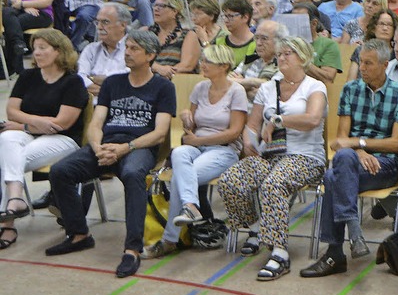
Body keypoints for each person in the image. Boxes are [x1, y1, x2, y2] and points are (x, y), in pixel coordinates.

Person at [46, 30, 176, 278]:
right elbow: (95, 124)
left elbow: (159, 133)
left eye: (134, 48)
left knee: (132, 174)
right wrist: (97, 148)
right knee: (61, 171)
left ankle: (132, 249)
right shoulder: (114, 83)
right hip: (105, 145)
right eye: (127, 47)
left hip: (138, 146)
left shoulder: (163, 87)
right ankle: (79, 233)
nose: (127, 52)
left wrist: (124, 149)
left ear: (150, 55)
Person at [300, 39, 398, 278]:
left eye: (368, 63)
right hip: (353, 163)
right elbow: (341, 140)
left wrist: (357, 144)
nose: (361, 68)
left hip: (385, 166)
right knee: (337, 170)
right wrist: (357, 152)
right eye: (361, 62)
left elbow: (396, 143)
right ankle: (353, 232)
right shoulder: (350, 90)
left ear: (384, 65)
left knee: (333, 176)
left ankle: (335, 253)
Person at [220, 36, 327, 281]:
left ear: (303, 58)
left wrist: (277, 120)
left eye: (288, 53)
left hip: (305, 157)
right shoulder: (269, 87)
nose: (282, 57)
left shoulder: (314, 87)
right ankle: (258, 227)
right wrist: (248, 142)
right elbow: (252, 124)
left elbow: (312, 119)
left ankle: (279, 253)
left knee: (273, 185)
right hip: (271, 155)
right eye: (280, 54)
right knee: (231, 181)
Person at [142, 44, 248, 258]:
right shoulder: (200, 88)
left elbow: (234, 133)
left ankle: (169, 239)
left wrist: (198, 139)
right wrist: (186, 120)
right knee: (179, 153)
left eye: (208, 61)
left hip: (223, 150)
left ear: (224, 66)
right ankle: (190, 206)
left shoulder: (237, 92)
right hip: (198, 145)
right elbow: (190, 129)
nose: (203, 64)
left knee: (182, 178)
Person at [0, 29, 88, 249]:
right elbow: (11, 111)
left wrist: (26, 123)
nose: (36, 53)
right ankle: (15, 199)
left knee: (8, 158)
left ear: (59, 52)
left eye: (42, 48)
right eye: (35, 48)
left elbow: (61, 123)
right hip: (28, 134)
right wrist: (33, 124)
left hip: (63, 140)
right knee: (7, 139)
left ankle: (7, 225)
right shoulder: (28, 76)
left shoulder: (73, 82)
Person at [77, 3, 131, 104]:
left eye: (105, 22)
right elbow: (79, 78)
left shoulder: (134, 49)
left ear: (123, 25)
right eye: (97, 22)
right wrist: (108, 89)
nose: (99, 27)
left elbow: (129, 80)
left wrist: (94, 78)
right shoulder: (90, 49)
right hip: (89, 107)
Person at [230, 20, 286, 104]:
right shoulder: (250, 60)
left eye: (264, 39)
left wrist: (246, 82)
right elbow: (228, 83)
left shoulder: (282, 65)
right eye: (256, 38)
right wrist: (256, 84)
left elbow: (268, 95)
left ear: (279, 41)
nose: (259, 43)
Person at [149, 0, 200, 79]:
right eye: (155, 5)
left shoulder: (188, 35)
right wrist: (158, 68)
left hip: (174, 80)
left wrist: (164, 74)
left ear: (174, 11)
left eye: (161, 6)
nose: (156, 9)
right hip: (147, 79)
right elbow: (135, 59)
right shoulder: (146, 32)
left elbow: (187, 65)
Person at [347, 10, 398, 81]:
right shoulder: (360, 50)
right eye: (381, 24)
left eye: (389, 25)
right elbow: (350, 81)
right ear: (374, 28)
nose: (385, 28)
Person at [216, 0, 256, 68]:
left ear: (245, 17)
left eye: (230, 16)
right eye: (225, 16)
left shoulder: (256, 44)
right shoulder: (219, 41)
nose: (226, 20)